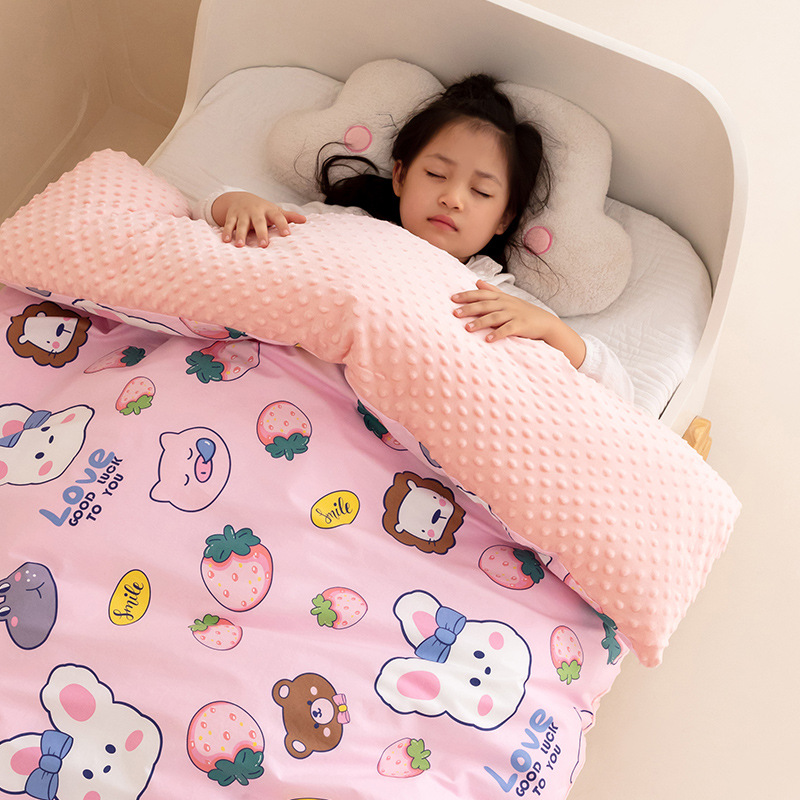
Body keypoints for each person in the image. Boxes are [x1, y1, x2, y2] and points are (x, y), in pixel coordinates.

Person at [193, 75, 634, 401]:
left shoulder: (495, 294)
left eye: (481, 192)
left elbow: (616, 393)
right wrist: (235, 203)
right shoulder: (348, 224)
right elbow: (205, 218)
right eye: (436, 174)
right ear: (401, 176)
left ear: (504, 218)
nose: (452, 198)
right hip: (274, 374)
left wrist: (553, 330)